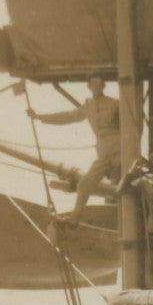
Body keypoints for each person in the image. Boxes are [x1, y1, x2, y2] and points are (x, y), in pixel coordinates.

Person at [29, 74, 122, 209]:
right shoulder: (88, 107)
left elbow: (131, 126)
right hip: (103, 152)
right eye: (93, 84)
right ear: (89, 86)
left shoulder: (114, 103)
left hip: (119, 149)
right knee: (85, 184)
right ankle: (75, 216)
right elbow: (66, 117)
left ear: (103, 86)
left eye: (99, 84)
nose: (96, 87)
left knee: (120, 186)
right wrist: (38, 116)